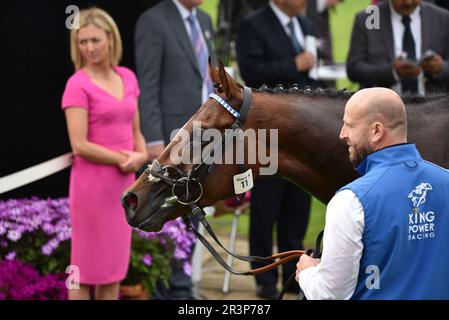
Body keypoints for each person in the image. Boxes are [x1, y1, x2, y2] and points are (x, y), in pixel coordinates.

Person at [296, 87, 449, 299]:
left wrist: (307, 272)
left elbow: (331, 293)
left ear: (376, 131)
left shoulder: (350, 200)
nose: (342, 134)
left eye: (349, 125)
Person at [62, 7, 147, 300]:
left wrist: (141, 155)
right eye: (82, 42)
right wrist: (125, 159)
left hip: (124, 186)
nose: (89, 47)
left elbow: (136, 130)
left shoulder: (128, 77)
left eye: (95, 40)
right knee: (82, 270)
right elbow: (79, 145)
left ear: (111, 38)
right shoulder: (77, 84)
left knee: (114, 269)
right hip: (91, 187)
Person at [134, 0, 215, 300]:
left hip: (201, 139)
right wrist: (154, 141)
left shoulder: (205, 20)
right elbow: (148, 86)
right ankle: (169, 290)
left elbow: (208, 78)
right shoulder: (153, 20)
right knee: (167, 215)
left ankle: (181, 287)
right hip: (169, 143)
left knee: (193, 208)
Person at [236, 0, 315, 300]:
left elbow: (308, 75)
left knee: (297, 208)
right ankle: (265, 280)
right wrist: (294, 65)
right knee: (265, 209)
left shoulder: (305, 25)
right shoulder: (253, 25)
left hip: (301, 135)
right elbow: (252, 74)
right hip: (267, 135)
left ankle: (293, 276)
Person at [347, 0, 449, 95]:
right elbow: (354, 68)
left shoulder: (442, 18)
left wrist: (440, 67)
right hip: (381, 107)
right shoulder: (368, 18)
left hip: (433, 107)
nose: (408, 2)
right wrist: (392, 72)